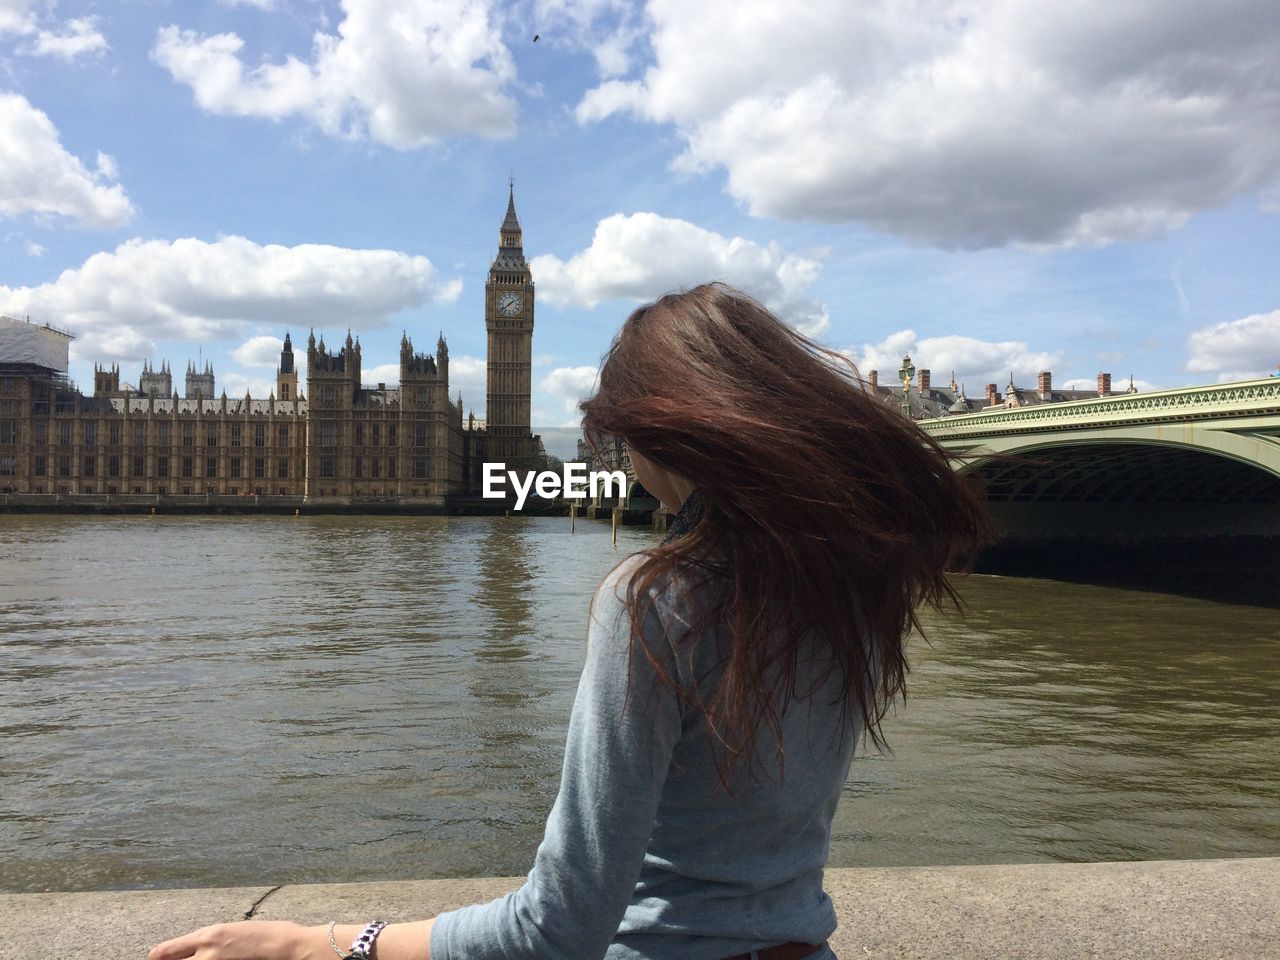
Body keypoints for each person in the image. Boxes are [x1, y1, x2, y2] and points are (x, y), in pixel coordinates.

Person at [149, 282, 992, 960]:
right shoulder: (850, 582)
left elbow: (558, 928)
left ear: (664, 432)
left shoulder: (659, 598)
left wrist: (324, 944)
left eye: (622, 431)